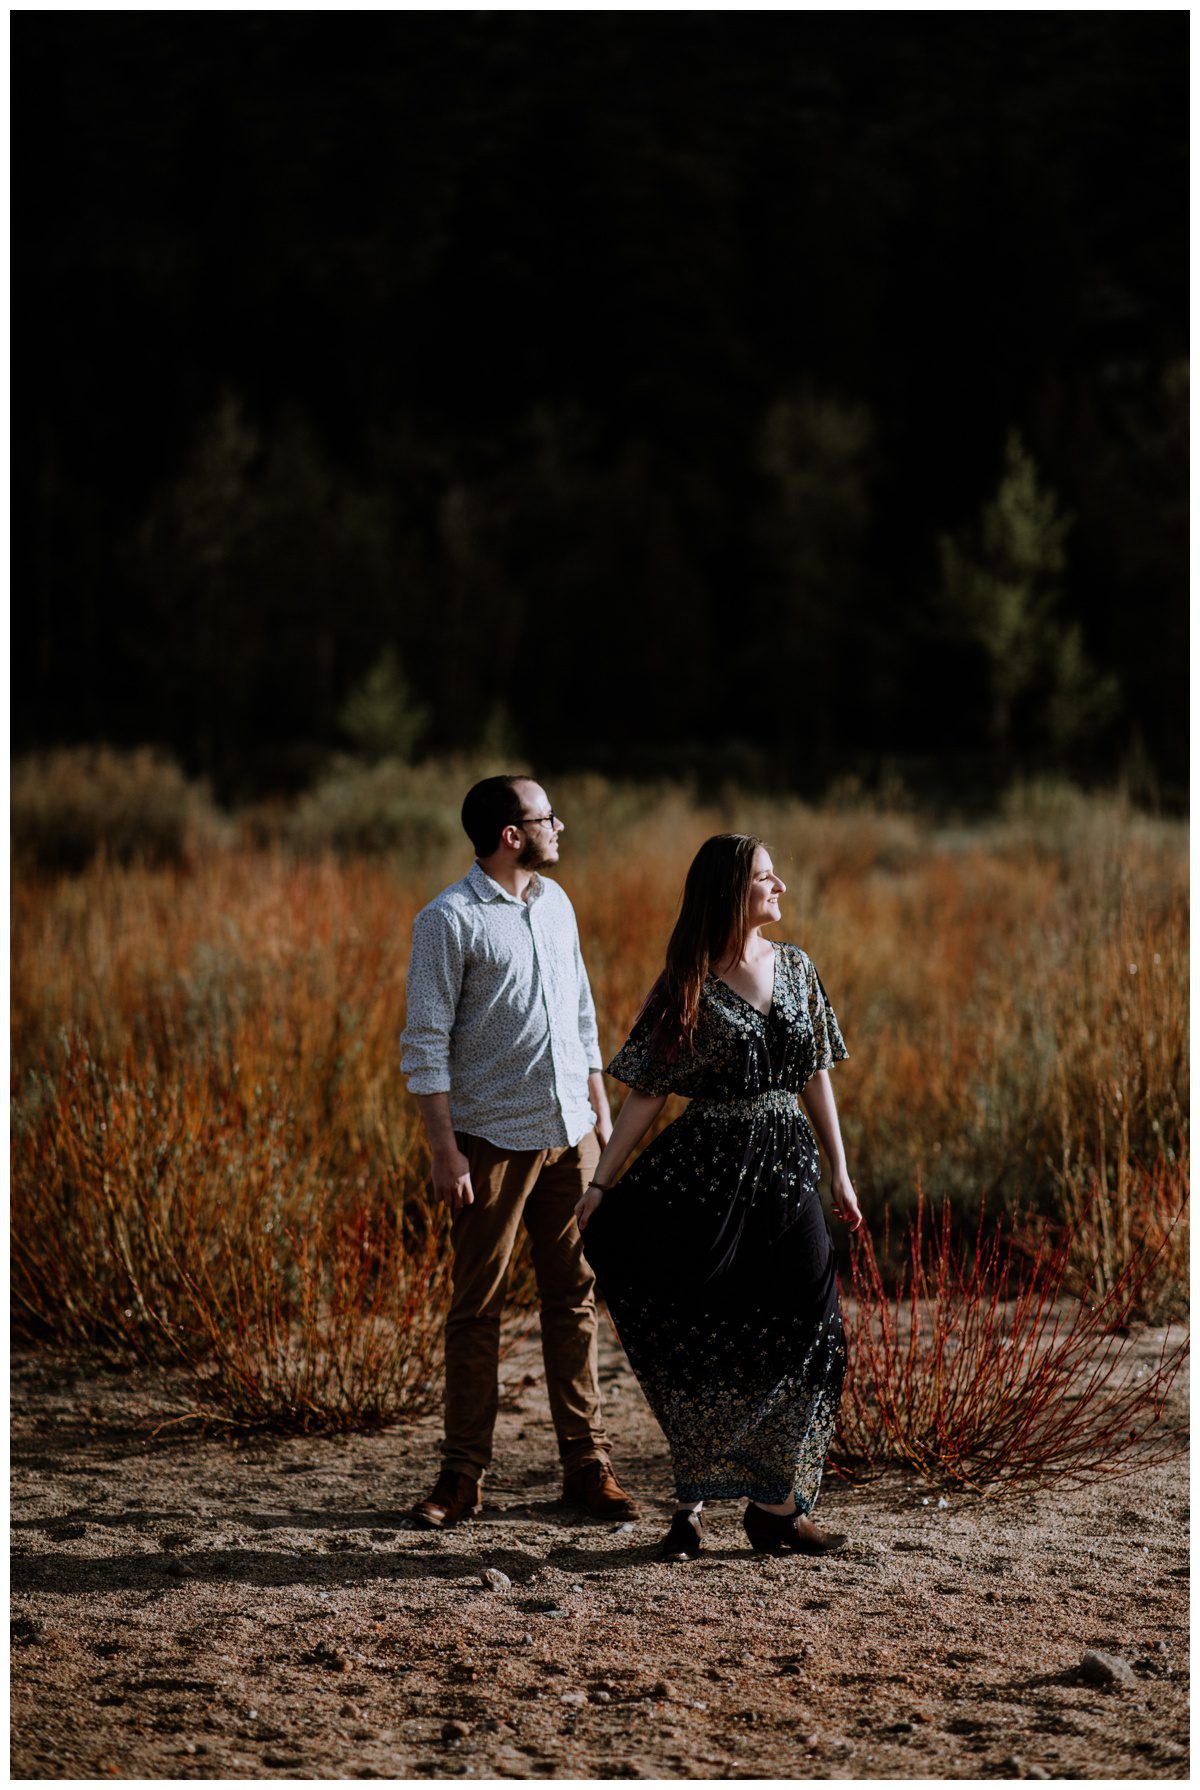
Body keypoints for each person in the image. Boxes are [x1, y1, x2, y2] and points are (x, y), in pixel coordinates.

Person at [576, 833, 861, 1561]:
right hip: (705, 1175)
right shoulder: (685, 982)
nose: (782, 887)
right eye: (768, 877)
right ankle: (693, 1505)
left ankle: (775, 1508)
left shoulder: (797, 968)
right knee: (708, 1332)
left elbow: (817, 1074)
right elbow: (645, 1096)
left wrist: (841, 1170)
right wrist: (602, 1183)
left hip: (789, 1168)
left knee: (817, 1329)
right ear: (733, 891)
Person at [401, 774, 639, 1529]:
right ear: (511, 834)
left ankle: (586, 1467)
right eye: (546, 817)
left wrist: (599, 1110)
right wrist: (445, 1151)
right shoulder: (447, 921)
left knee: (574, 1300)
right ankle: (462, 1477)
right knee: (476, 1309)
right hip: (489, 1143)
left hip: (570, 1133)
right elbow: (425, 1044)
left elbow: (579, 1009)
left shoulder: (557, 904)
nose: (560, 826)